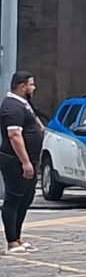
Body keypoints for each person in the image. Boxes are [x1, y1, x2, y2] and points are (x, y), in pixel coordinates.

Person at [1, 71, 43, 254]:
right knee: (14, 199)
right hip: (15, 161)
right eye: (31, 84)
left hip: (30, 159)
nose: (34, 88)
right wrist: (25, 162)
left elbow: (32, 122)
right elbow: (14, 135)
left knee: (25, 199)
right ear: (22, 86)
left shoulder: (23, 103)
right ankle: (11, 241)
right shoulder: (12, 107)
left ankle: (18, 238)